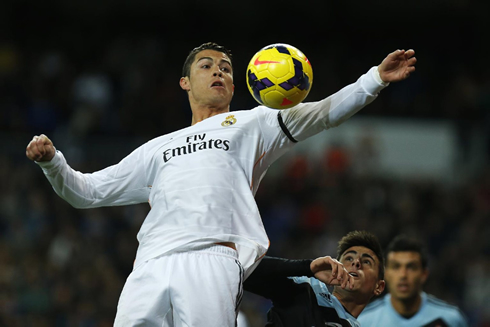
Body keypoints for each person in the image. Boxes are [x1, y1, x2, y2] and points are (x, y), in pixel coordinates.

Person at [25, 42, 416, 326]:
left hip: (213, 260)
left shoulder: (255, 122)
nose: (218, 72)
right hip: (150, 263)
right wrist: (53, 163)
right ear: (184, 82)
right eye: (207, 66)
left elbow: (325, 113)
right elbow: (86, 192)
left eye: (226, 68)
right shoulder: (157, 148)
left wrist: (374, 79)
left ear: (236, 82)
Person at [243, 230, 385, 326]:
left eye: (366, 261)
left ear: (379, 287)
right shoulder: (308, 288)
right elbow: (245, 271)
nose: (356, 263)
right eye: (348, 258)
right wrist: (307, 267)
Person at [358, 235, 469, 326]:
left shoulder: (450, 319)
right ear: (385, 274)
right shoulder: (363, 321)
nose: (403, 275)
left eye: (411, 267)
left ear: (424, 274)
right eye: (396, 267)